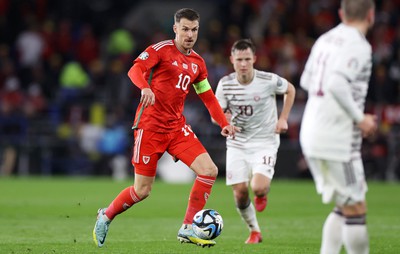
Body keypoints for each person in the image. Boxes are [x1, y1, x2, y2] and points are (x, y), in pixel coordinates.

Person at [92, 8, 238, 248]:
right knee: (142, 190)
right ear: (175, 29)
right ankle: (105, 215)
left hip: (177, 128)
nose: (190, 35)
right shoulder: (161, 50)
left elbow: (208, 97)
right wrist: (144, 87)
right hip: (150, 128)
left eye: (194, 30)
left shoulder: (198, 63)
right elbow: (134, 70)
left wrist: (224, 123)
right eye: (185, 29)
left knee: (209, 170)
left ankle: (188, 227)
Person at [299, 0, 376, 253]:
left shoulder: (325, 39)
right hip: (337, 139)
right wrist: (360, 118)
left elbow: (307, 80)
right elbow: (335, 84)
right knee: (355, 206)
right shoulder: (359, 45)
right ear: (371, 15)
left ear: (342, 14)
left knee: (344, 205)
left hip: (311, 131)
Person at [213, 39, 296, 244]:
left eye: (247, 59)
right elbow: (215, 114)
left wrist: (283, 118)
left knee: (258, 187)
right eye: (239, 59)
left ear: (254, 59)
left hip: (264, 141)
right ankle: (254, 231)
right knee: (240, 193)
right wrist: (224, 122)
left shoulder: (268, 80)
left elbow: (290, 89)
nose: (243, 64)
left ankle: (261, 193)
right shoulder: (225, 84)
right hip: (237, 143)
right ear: (232, 60)